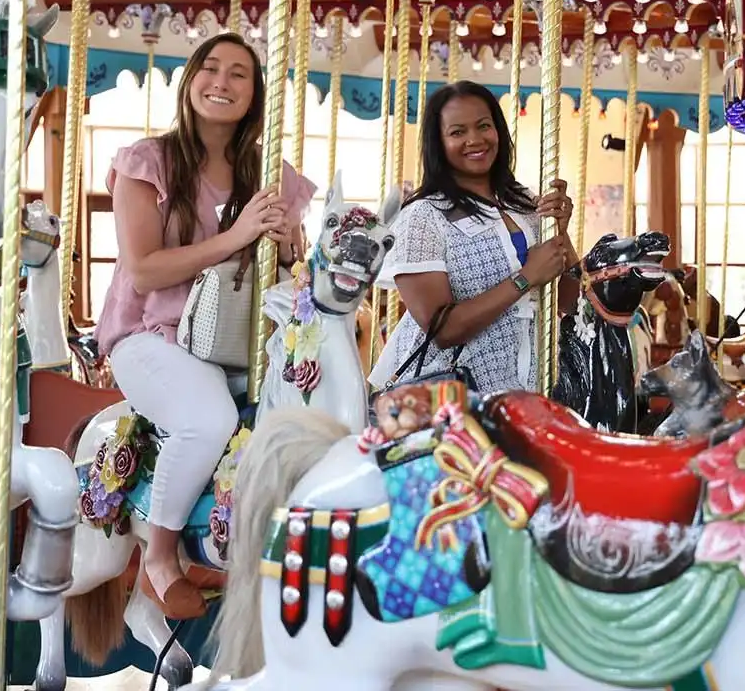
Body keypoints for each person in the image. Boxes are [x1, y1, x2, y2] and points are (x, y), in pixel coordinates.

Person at [95, 32, 315, 619]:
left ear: (255, 94)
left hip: (236, 345)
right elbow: (142, 270)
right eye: (210, 68)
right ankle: (161, 558)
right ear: (190, 80)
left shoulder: (274, 178)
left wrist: (293, 252)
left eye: (239, 73)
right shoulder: (149, 162)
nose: (222, 82)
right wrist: (236, 237)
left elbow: (291, 275)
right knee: (209, 417)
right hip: (150, 337)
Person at [369, 80, 580, 394]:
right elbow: (441, 330)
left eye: (484, 126)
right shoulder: (423, 216)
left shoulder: (524, 204)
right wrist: (525, 277)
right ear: (438, 142)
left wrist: (560, 231)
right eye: (457, 132)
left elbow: (570, 300)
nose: (475, 139)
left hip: (528, 387)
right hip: (449, 395)